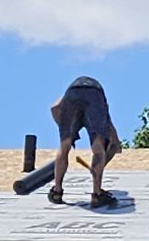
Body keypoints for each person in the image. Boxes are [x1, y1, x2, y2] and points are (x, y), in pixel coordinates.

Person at [49, 75, 123, 208]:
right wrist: (115, 139)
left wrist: (65, 130)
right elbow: (106, 119)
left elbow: (54, 108)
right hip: (94, 93)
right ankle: (97, 195)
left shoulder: (68, 97)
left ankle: (57, 191)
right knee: (98, 146)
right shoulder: (97, 101)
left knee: (64, 146)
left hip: (73, 91)